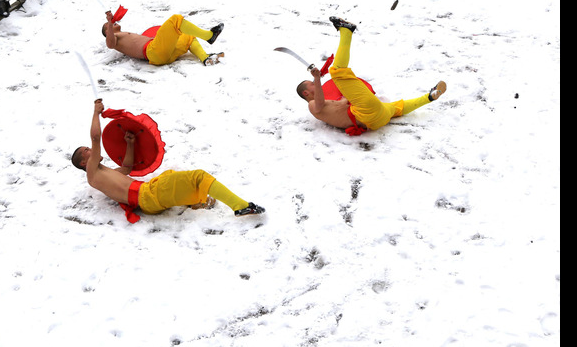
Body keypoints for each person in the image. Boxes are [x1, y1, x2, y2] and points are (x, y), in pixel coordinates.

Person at [71, 99, 265, 222]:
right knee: (198, 176)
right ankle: (240, 206)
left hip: (147, 198)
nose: (91, 150)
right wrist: (96, 113)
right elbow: (96, 138)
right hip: (147, 196)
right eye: (86, 151)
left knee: (171, 176)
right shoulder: (92, 174)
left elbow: (128, 167)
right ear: (83, 163)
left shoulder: (105, 172)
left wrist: (129, 143)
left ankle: (196, 201)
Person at [296, 17, 447, 135]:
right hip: (365, 112)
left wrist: (346, 93)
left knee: (396, 108)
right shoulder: (312, 105)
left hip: (375, 121)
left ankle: (429, 97)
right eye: (312, 84)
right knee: (337, 71)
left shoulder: (325, 105)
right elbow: (320, 103)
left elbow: (341, 102)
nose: (317, 84)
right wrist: (316, 78)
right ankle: (346, 31)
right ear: (306, 93)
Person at [102, 10, 225, 66]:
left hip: (161, 55)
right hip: (153, 52)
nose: (112, 23)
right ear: (107, 32)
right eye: (108, 25)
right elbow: (110, 44)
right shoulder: (114, 38)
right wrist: (109, 24)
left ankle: (205, 58)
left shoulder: (121, 35)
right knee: (175, 20)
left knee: (188, 36)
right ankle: (209, 36)